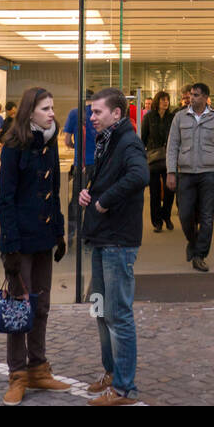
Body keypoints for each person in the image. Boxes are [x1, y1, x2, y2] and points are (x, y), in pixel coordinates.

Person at [0, 87, 71, 403]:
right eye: (45, 108)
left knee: (41, 305)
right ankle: (18, 375)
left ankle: (39, 368)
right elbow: (6, 199)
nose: (52, 113)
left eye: (52, 108)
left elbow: (53, 190)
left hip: (43, 238)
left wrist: (59, 232)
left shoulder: (50, 142)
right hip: (21, 239)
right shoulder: (14, 146)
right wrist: (10, 246)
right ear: (30, 112)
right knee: (18, 307)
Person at [78, 88, 147, 406]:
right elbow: (112, 178)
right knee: (100, 310)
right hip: (103, 236)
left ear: (116, 114)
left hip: (118, 241)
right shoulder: (109, 140)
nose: (91, 118)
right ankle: (112, 373)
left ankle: (124, 388)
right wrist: (89, 193)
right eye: (91, 112)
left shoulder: (128, 141)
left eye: (97, 112)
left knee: (118, 314)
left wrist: (105, 200)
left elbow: (139, 175)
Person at [165, 81, 214, 272]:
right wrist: (171, 171)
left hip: (208, 173)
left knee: (207, 216)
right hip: (186, 173)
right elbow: (172, 146)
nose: (191, 98)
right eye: (190, 95)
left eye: (196, 95)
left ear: (205, 97)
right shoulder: (180, 117)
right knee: (185, 214)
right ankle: (194, 240)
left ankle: (199, 254)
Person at [62, 90, 95, 244]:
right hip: (99, 163)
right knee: (96, 198)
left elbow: (67, 140)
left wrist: (77, 147)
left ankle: (70, 233)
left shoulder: (74, 113)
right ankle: (90, 234)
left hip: (81, 163)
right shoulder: (98, 113)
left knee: (77, 199)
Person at [142, 91, 176, 232]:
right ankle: (157, 222)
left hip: (169, 158)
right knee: (155, 192)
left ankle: (166, 217)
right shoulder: (149, 117)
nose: (165, 102)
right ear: (158, 102)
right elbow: (143, 138)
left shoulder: (172, 117)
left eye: (167, 100)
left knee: (170, 190)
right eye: (163, 100)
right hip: (153, 158)